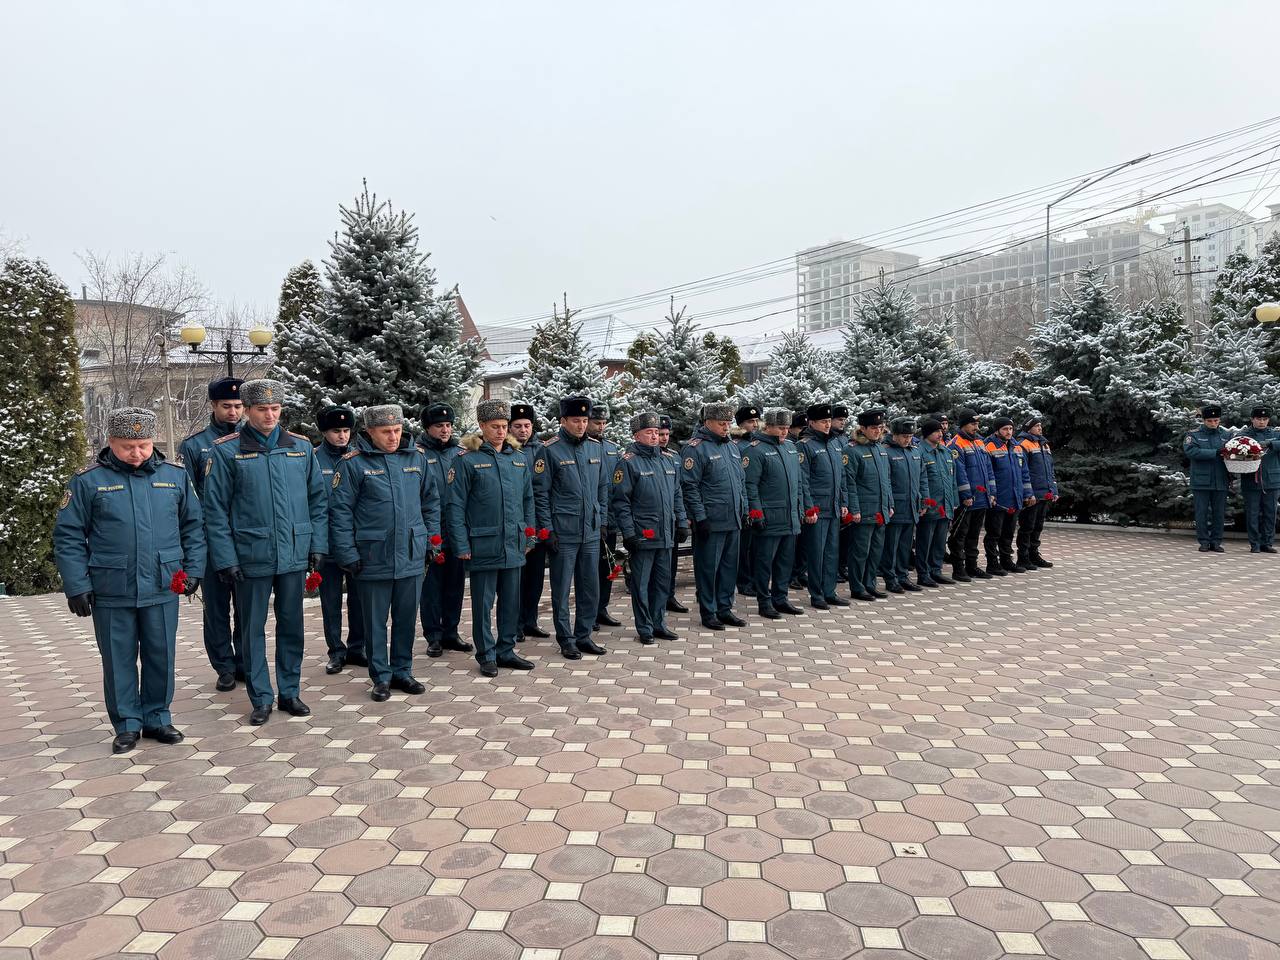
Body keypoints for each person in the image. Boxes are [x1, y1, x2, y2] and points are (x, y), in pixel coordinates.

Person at [55, 407, 205, 754]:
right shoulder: (87, 481)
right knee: (118, 658)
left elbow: (193, 527)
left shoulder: (175, 476)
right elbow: (69, 536)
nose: (137, 453)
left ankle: (157, 717)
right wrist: (76, 585)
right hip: (112, 587)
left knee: (160, 654)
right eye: (127, 446)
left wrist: (194, 570)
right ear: (111, 443)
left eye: (143, 445)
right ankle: (127, 724)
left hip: (163, 583)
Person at [203, 379, 328, 725]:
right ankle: (260, 697)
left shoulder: (301, 448)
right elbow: (214, 512)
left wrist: (317, 544)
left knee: (292, 627)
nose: (270, 415)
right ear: (247, 410)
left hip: (293, 553)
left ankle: (290, 691)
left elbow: (318, 500)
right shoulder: (226, 451)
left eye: (275, 408)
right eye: (262, 409)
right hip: (250, 556)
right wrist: (226, 558)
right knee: (252, 630)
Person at [329, 405, 441, 702]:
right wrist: (347, 553)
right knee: (375, 622)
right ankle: (381, 676)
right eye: (385, 432)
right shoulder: (352, 464)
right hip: (372, 555)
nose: (393, 437)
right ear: (369, 432)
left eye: (397, 430)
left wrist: (432, 541)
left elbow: (431, 503)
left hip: (411, 553)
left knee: (406, 617)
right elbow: (340, 513)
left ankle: (402, 670)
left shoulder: (416, 458)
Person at [445, 399, 537, 676]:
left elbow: (528, 501)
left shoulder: (518, 459)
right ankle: (486, 654)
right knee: (483, 604)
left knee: (511, 601)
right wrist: (460, 544)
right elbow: (455, 505)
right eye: (494, 426)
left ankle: (506, 650)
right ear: (482, 427)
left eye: (504, 426)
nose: (500, 431)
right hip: (482, 544)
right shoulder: (466, 460)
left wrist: (529, 536)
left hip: (513, 543)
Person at [178, 376, 244, 690]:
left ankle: (245, 660)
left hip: (245, 538)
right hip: (209, 540)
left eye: (238, 406)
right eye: (227, 406)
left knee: (247, 605)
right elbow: (186, 499)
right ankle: (225, 667)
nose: (233, 412)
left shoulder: (251, 440)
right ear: (214, 406)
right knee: (216, 609)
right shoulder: (193, 446)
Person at [533, 396, 610, 659]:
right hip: (563, 532)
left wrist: (602, 522)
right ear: (563, 421)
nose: (581, 425)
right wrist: (548, 530)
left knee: (591, 586)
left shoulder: (594, 448)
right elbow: (540, 494)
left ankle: (584, 634)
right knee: (562, 588)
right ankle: (566, 638)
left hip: (590, 530)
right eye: (575, 420)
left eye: (585, 420)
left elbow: (603, 488)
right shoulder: (549, 450)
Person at [611, 411, 688, 644]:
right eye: (649, 432)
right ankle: (644, 627)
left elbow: (677, 495)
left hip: (666, 533)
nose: (655, 436)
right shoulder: (628, 463)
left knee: (662, 582)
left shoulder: (667, 460)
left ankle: (659, 623)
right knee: (641, 584)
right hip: (643, 535)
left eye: (657, 432)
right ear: (637, 435)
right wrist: (629, 532)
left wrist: (681, 522)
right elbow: (621, 501)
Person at [681, 402, 748, 629]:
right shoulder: (695, 448)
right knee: (709, 568)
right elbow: (689, 486)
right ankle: (708, 612)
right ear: (707, 422)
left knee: (730, 567)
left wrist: (744, 509)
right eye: (721, 424)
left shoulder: (731, 447)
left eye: (728, 423)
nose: (726, 428)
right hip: (711, 520)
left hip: (733, 519)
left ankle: (725, 608)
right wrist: (700, 517)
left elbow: (740, 482)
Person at [313, 405, 368, 674]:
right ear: (324, 432)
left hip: (355, 543)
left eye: (346, 431)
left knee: (359, 599)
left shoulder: (360, 458)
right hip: (326, 545)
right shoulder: (313, 459)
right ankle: (336, 650)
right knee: (330, 601)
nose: (342, 436)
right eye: (336, 431)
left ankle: (358, 647)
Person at [743, 407, 811, 619]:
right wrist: (756, 514)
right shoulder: (755, 450)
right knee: (764, 562)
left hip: (789, 517)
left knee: (785, 561)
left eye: (787, 428)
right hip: (768, 518)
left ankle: (780, 598)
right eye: (780, 428)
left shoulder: (791, 448)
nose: (784, 432)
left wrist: (801, 508)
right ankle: (764, 602)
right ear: (769, 426)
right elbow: (750, 486)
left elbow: (798, 482)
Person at [418, 403, 473, 657]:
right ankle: (434, 635)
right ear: (428, 428)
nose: (445, 430)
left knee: (455, 584)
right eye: (439, 426)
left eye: (449, 425)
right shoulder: (416, 454)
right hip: (431, 530)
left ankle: (451, 631)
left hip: (457, 531)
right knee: (431, 587)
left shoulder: (460, 453)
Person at [796, 403, 845, 609]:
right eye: (823, 422)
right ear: (812, 422)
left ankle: (829, 590)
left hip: (833, 506)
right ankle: (817, 594)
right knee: (817, 553)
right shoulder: (805, 445)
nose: (827, 425)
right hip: (817, 508)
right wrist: (808, 508)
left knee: (832, 552)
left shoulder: (834, 444)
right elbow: (803, 480)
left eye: (828, 421)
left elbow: (841, 478)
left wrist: (844, 502)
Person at [508, 402, 551, 639]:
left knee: (534, 578)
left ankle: (530, 620)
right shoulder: (505, 450)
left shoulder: (541, 449)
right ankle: (513, 624)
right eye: (518, 426)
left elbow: (546, 489)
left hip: (537, 523)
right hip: (516, 523)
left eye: (527, 425)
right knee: (515, 579)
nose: (523, 430)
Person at [845, 409, 892, 601]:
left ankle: (870, 584)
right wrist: (854, 509)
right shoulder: (853, 450)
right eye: (873, 428)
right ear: (862, 428)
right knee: (860, 551)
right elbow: (850, 483)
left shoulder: (880, 449)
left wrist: (889, 503)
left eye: (880, 428)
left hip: (880, 508)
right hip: (864, 510)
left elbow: (886, 480)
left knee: (875, 550)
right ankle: (857, 587)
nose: (878, 431)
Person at [881, 418, 929, 593]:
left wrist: (924, 500)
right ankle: (890, 577)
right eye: (903, 436)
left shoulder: (915, 452)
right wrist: (888, 503)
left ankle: (903, 576)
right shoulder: (886, 452)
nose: (907, 439)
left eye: (910, 436)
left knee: (905, 546)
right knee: (891, 545)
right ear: (894, 435)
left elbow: (923, 478)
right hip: (896, 507)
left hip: (911, 506)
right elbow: (884, 481)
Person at [948, 409, 997, 581]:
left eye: (977, 424)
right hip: (967, 500)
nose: (976, 427)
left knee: (974, 534)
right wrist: (966, 495)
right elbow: (959, 473)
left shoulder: (980, 442)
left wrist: (991, 492)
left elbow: (989, 470)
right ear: (963, 425)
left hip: (982, 497)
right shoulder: (956, 444)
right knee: (960, 535)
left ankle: (972, 566)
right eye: (973, 424)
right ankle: (958, 568)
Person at [588, 403, 625, 629]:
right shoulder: (585, 447)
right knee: (590, 570)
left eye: (603, 423)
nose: (601, 427)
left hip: (610, 518)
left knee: (608, 567)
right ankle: (590, 612)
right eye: (597, 423)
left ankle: (602, 607)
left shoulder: (612, 448)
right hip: (591, 518)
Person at [983, 417, 1034, 575]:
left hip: (1015, 498)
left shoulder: (1017, 447)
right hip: (999, 499)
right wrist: (992, 494)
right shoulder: (989, 446)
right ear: (997, 430)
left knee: (1008, 532)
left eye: (1011, 429)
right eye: (1005, 429)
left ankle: (1006, 560)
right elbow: (988, 474)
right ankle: (992, 563)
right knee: (994, 533)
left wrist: (1028, 493)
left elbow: (1024, 473)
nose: (1009, 432)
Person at [916, 418, 958, 587]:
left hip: (945, 504)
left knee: (940, 541)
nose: (940, 434)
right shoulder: (919, 452)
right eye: (936, 431)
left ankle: (936, 570)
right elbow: (919, 480)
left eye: (941, 431)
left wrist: (954, 500)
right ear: (927, 434)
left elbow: (952, 478)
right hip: (930, 504)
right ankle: (923, 573)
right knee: (925, 541)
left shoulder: (945, 452)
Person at [1184, 403, 1232, 552]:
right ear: (1204, 420)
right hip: (1201, 480)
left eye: (1216, 420)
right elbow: (1191, 452)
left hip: (1221, 479)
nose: (1213, 423)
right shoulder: (1194, 435)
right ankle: (1204, 541)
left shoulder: (1226, 435)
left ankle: (1216, 542)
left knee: (1219, 512)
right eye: (1210, 421)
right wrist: (1215, 453)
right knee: (1202, 512)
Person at [1236, 405, 1280, 553]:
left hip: (1271, 480)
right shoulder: (1244, 434)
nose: (1262, 422)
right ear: (1252, 419)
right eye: (1258, 419)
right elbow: (1234, 450)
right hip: (1251, 480)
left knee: (1270, 513)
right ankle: (1254, 543)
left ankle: (1267, 543)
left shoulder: (1275, 434)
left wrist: (1271, 444)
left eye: (1265, 419)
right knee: (1252, 513)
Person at [1015, 416, 1058, 569]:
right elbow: (1022, 472)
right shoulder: (1023, 444)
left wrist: (1053, 489)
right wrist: (1028, 493)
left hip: (1044, 493)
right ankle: (1023, 557)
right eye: (1037, 426)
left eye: (1040, 425)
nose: (1040, 428)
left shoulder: (1044, 444)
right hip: (1032, 494)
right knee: (1027, 526)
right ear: (1028, 428)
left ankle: (1034, 554)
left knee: (1038, 526)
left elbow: (1050, 470)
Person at [659, 415, 690, 614]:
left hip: (671, 519)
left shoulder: (674, 457)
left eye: (666, 434)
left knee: (671, 563)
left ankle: (669, 596)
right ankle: (658, 600)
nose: (663, 438)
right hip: (653, 521)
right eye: (659, 434)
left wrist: (682, 519)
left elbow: (680, 490)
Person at [733, 403, 762, 597]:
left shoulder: (757, 444)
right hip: (744, 503)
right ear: (741, 424)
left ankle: (752, 579)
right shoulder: (737, 446)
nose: (755, 425)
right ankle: (743, 581)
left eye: (756, 421)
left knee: (754, 546)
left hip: (757, 501)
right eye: (750, 421)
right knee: (744, 547)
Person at [830, 405, 852, 583]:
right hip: (831, 497)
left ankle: (842, 566)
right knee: (833, 538)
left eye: (844, 420)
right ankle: (834, 568)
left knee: (845, 537)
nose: (842, 422)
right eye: (839, 420)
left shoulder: (845, 439)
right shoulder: (831, 440)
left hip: (845, 492)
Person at [788, 410, 810, 590]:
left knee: (803, 544)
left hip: (800, 503)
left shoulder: (796, 445)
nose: (802, 430)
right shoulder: (793, 445)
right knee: (792, 546)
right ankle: (792, 575)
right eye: (800, 427)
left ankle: (800, 572)